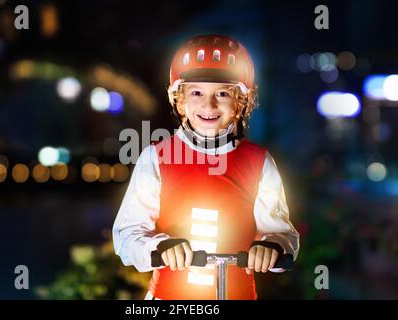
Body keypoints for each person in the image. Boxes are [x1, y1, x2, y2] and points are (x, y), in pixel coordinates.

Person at [113, 34, 299, 300]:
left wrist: (271, 246)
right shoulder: (156, 157)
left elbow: (282, 233)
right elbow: (127, 234)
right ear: (179, 100)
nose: (209, 104)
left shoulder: (259, 162)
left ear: (241, 102)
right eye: (196, 92)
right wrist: (160, 246)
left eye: (223, 93)